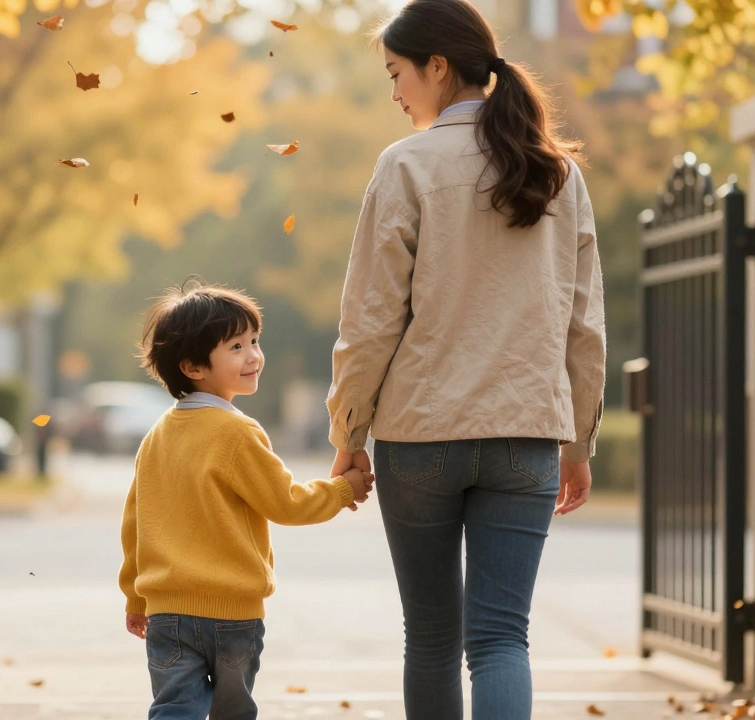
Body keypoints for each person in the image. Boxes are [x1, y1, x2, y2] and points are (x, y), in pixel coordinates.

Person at [326, 0, 608, 717]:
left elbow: (369, 324)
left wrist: (349, 435)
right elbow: (584, 326)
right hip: (526, 438)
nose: (395, 93)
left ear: (438, 66)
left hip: (420, 438)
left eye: (397, 74)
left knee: (429, 636)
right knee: (501, 639)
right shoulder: (558, 176)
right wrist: (577, 441)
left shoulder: (406, 166)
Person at [120, 279, 374, 720]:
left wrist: (136, 597)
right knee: (232, 711)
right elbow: (286, 503)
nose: (253, 355)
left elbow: (135, 525)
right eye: (236, 347)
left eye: (254, 341)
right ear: (194, 366)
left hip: (168, 614)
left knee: (174, 708)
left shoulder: (156, 437)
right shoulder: (237, 433)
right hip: (233, 614)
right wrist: (342, 490)